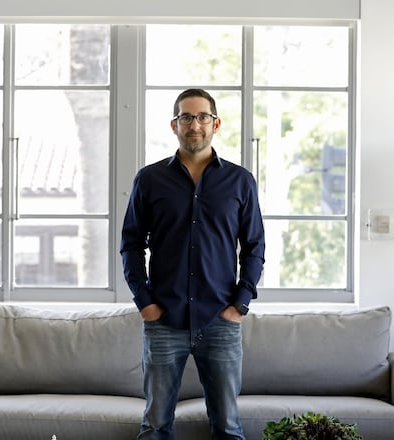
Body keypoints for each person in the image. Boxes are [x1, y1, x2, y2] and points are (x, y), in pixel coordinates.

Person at [120, 88, 265, 440]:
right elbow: (131, 244)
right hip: (163, 320)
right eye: (186, 117)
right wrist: (145, 303)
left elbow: (255, 246)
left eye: (202, 117)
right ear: (174, 125)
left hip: (220, 319)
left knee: (228, 428)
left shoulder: (240, 180)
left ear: (215, 123)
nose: (194, 125)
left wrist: (240, 304)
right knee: (155, 426)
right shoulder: (150, 179)